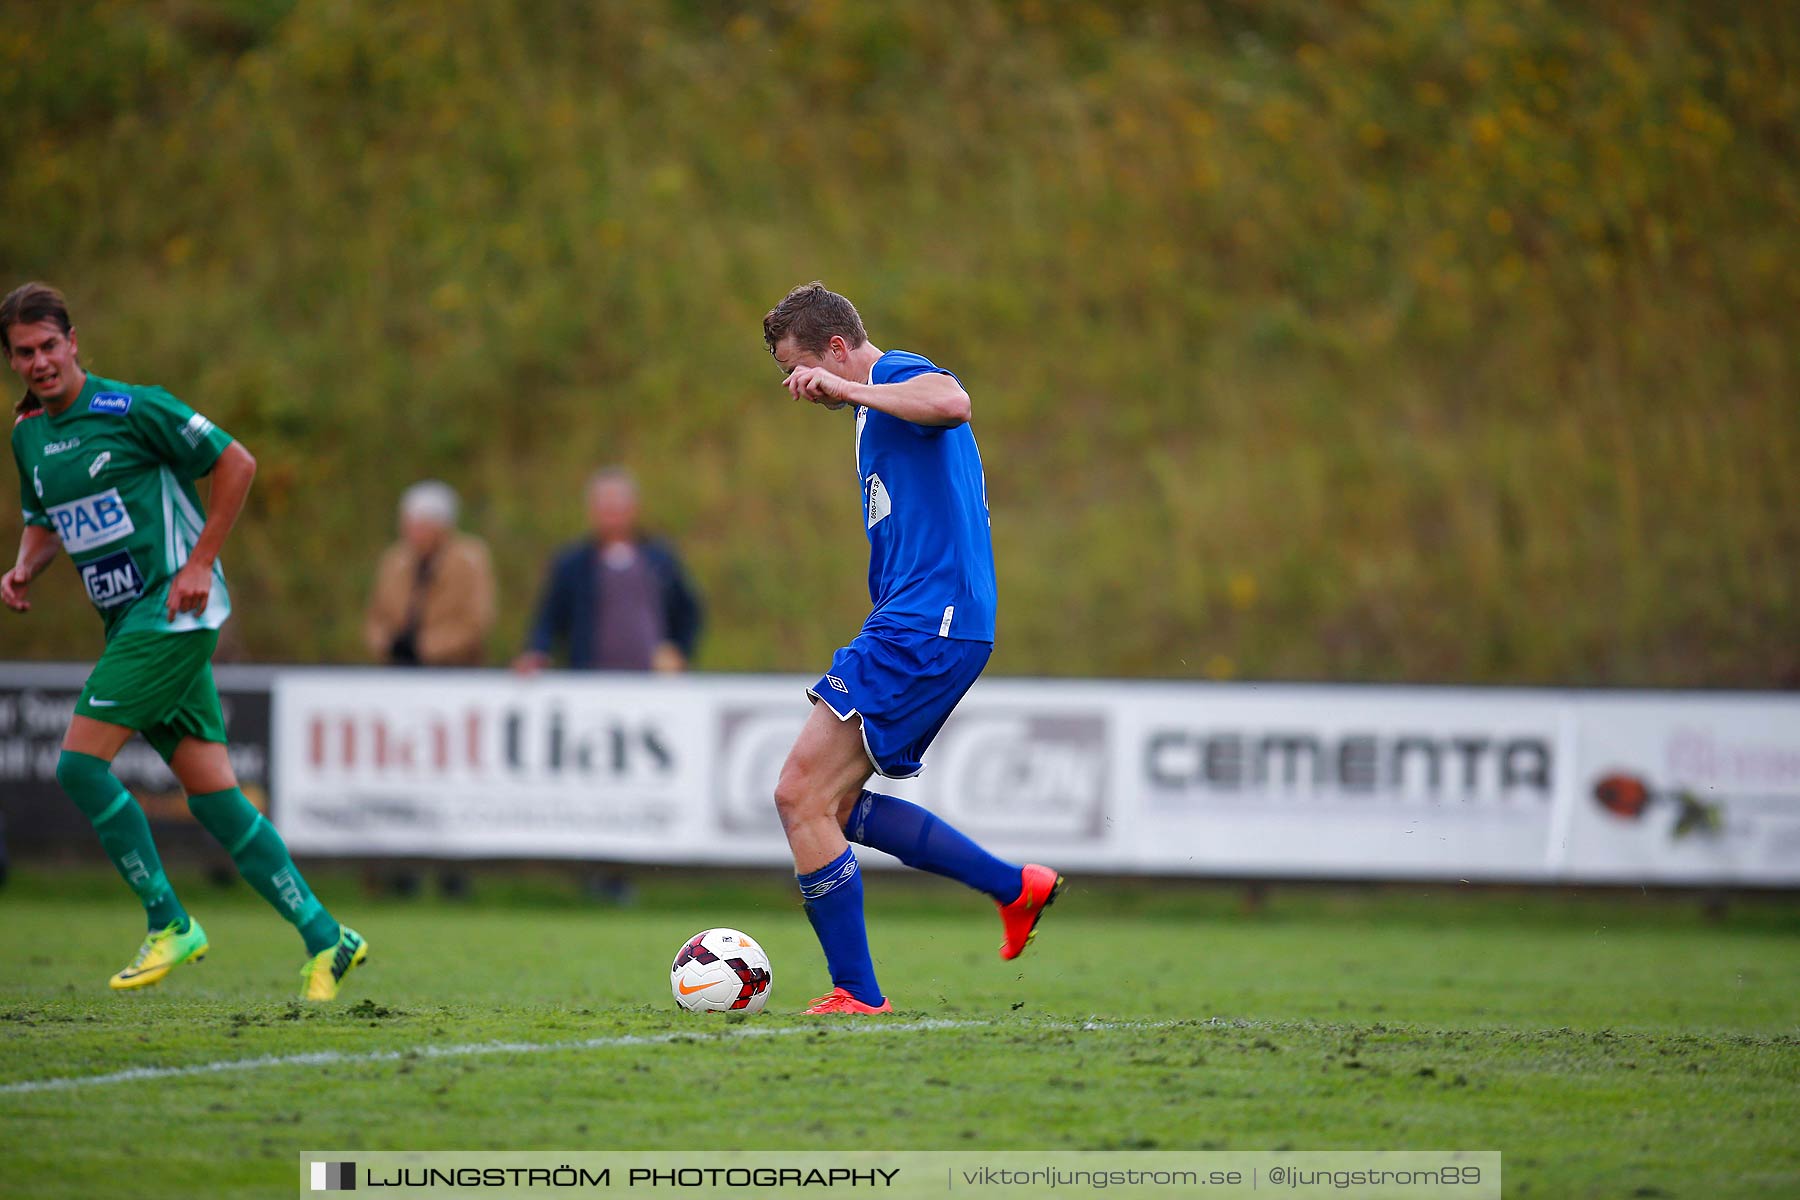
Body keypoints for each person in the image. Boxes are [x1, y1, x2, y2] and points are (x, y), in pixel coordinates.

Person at [1, 282, 367, 1001]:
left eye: (50, 346)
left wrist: (199, 562)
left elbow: (238, 462)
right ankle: (329, 937)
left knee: (78, 767)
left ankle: (169, 922)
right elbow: (46, 516)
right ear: (12, 361)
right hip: (129, 622)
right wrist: (22, 564)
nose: (40, 361)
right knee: (216, 798)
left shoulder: (134, 408)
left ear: (74, 343)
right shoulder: (27, 436)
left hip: (171, 610)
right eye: (23, 352)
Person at [761, 282, 1062, 1015]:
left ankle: (858, 994)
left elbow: (953, 401)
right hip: (926, 621)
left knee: (799, 795)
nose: (801, 388)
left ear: (837, 348)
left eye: (801, 369)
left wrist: (846, 386)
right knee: (830, 803)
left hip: (930, 621)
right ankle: (1012, 887)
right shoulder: (872, 414)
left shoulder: (893, 374)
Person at [513, 467, 702, 674]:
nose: (612, 516)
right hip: (592, 681)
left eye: (617, 508)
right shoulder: (573, 564)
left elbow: (688, 611)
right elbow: (549, 617)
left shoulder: (660, 560)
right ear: (592, 511)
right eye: (605, 508)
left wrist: (680, 651)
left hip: (651, 682)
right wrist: (537, 651)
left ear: (633, 509)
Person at [363, 480, 496, 666]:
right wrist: (388, 643)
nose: (411, 532)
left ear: (441, 527)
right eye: (408, 523)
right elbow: (375, 617)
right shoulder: (394, 561)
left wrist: (423, 647)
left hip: (453, 670)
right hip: (397, 669)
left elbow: (475, 623)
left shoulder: (469, 560)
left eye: (420, 526)